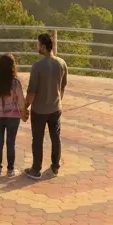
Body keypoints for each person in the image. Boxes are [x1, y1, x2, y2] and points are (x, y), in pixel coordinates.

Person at [23, 32, 67, 180]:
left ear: (43, 46)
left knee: (37, 139)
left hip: (39, 110)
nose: (37, 47)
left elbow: (31, 93)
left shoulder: (37, 67)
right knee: (56, 137)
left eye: (38, 44)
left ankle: (36, 169)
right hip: (56, 109)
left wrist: (25, 107)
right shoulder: (62, 63)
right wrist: (57, 101)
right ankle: (55, 167)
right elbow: (62, 87)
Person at [0, 53, 25, 177]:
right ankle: (10, 170)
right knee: (11, 142)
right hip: (13, 117)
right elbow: (21, 101)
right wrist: (24, 113)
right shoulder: (15, 82)